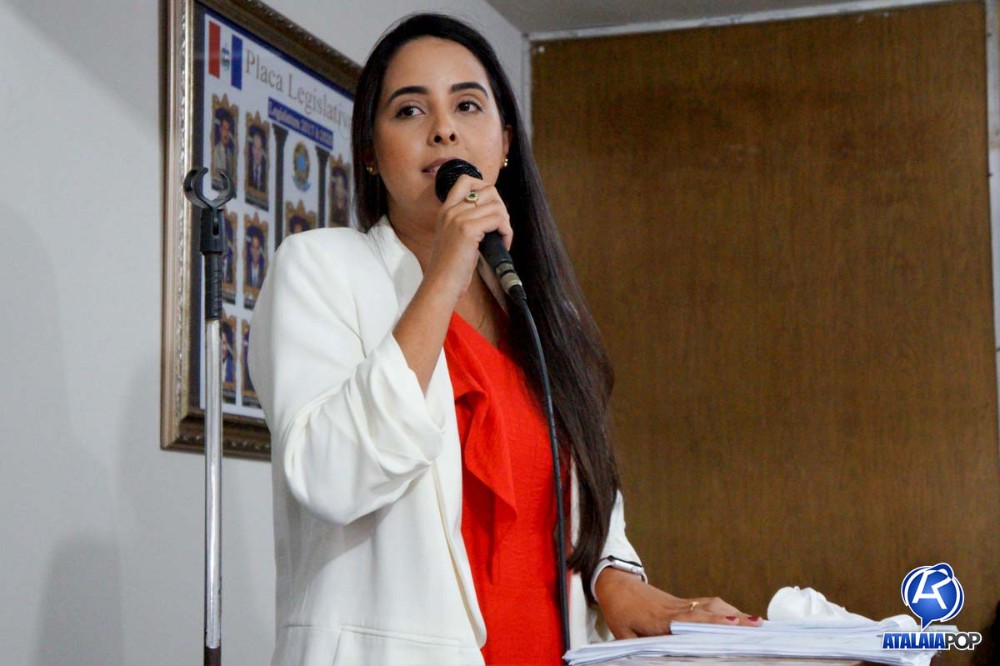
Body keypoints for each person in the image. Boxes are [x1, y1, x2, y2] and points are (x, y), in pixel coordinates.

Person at [248, 13, 760, 666]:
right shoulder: (320, 267)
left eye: (467, 105)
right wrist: (446, 271)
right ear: (370, 152)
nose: (444, 129)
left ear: (505, 143)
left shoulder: (537, 309)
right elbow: (329, 476)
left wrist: (618, 580)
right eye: (410, 110)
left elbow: (582, 509)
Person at [211, 111, 236, 190]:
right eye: (225, 129)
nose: (226, 133)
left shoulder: (230, 154)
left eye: (228, 130)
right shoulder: (215, 151)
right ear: (220, 130)